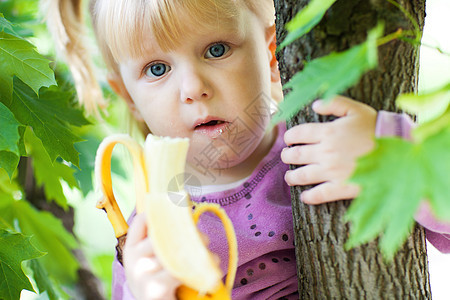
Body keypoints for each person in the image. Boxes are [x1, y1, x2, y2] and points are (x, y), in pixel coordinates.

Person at [47, 0, 450, 299]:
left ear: (271, 56)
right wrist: (144, 289)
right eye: (157, 69)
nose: (192, 89)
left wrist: (391, 152)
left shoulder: (320, 139)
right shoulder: (151, 227)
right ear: (129, 98)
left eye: (217, 49)